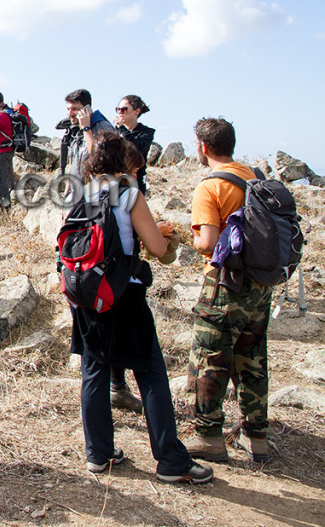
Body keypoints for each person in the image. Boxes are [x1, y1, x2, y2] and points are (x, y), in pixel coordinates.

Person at [70, 132, 214, 485]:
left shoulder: (82, 194)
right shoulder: (130, 195)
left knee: (95, 370)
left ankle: (98, 454)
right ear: (123, 165)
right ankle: (170, 461)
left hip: (88, 294)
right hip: (125, 296)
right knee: (150, 373)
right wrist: (166, 236)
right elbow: (156, 247)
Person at [185, 118, 273, 464]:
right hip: (260, 284)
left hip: (225, 283)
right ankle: (257, 437)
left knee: (210, 357)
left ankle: (208, 436)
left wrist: (189, 237)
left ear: (202, 147)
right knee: (252, 359)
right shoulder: (254, 177)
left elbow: (207, 242)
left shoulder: (211, 187)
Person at [61, 89, 141, 412]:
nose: (71, 114)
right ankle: (113, 387)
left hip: (105, 209)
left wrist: (87, 130)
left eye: (76, 109)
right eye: (68, 109)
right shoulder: (72, 131)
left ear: (88, 108)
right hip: (81, 208)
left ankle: (117, 386)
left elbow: (101, 162)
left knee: (107, 326)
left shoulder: (101, 129)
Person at [114, 95, 155, 194]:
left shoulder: (146, 132)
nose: (120, 112)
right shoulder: (114, 132)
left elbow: (138, 149)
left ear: (136, 112)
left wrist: (122, 129)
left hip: (136, 182)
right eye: (118, 109)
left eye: (124, 109)